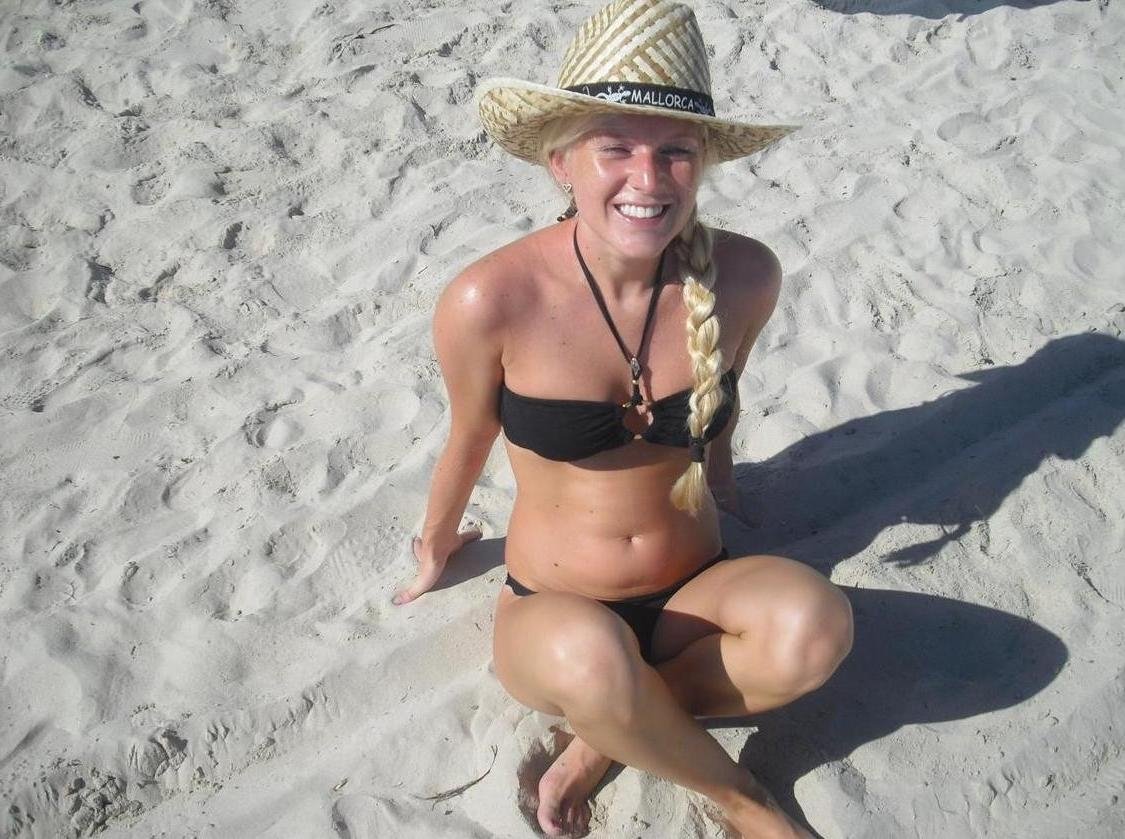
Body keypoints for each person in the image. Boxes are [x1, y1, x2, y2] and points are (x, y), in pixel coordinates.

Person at [393, 1, 854, 836]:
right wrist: (436, 543)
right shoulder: (490, 299)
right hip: (555, 608)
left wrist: (723, 478)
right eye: (615, 148)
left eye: (675, 151)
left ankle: (609, 736)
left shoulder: (745, 276)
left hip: (695, 585)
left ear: (701, 164)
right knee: (594, 659)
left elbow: (725, 395)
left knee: (816, 626)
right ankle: (746, 802)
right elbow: (469, 434)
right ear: (560, 163)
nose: (648, 179)